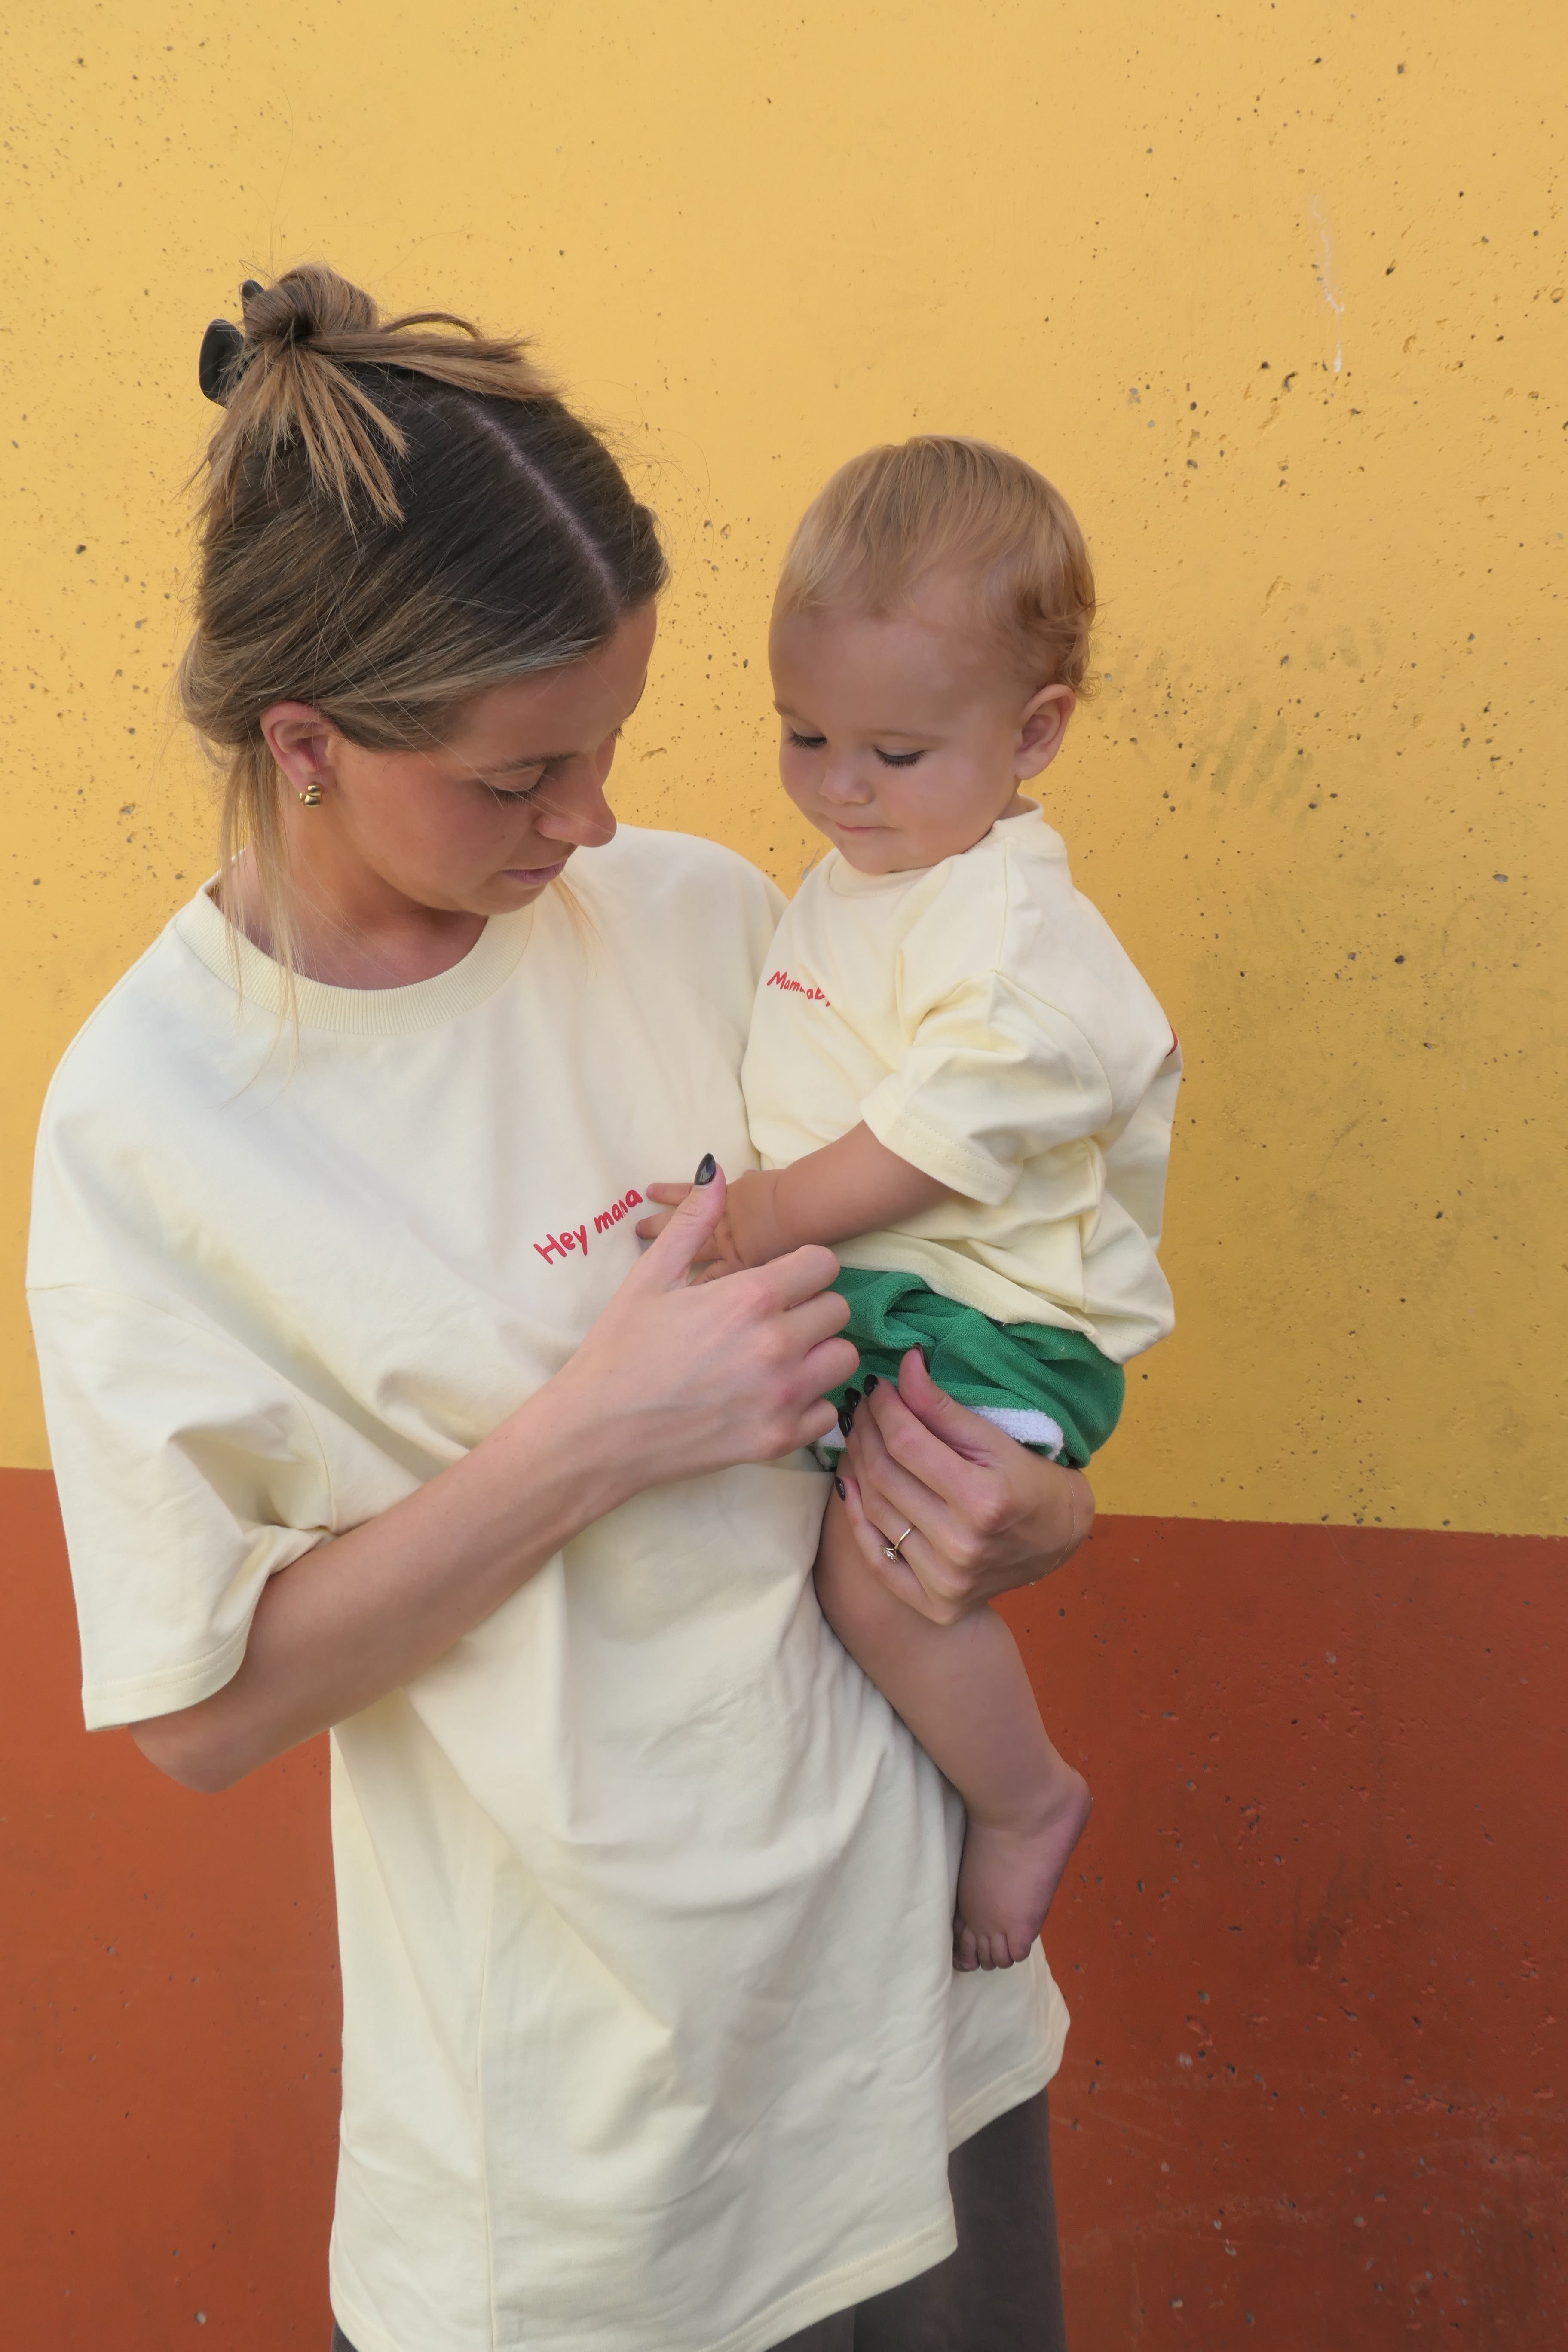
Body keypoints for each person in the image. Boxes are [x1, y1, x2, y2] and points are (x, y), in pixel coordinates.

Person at [27, 266, 1094, 2352]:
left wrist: (1025, 1515)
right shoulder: (155, 1122)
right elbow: (202, 1710)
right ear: (307, 743)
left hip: (921, 2040)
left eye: (608, 747)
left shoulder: (707, 923)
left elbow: (953, 1325)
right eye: (523, 779)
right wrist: (598, 1428)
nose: (595, 823)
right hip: (590, 2186)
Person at [641, 440, 1180, 1975]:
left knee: (874, 1585)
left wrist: (751, 1222)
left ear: (1037, 733)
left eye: (895, 749)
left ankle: (1025, 1800)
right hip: (904, 1298)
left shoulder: (1017, 930)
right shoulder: (869, 874)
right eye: (804, 735)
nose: (839, 787)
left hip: (997, 1323)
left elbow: (936, 1143)